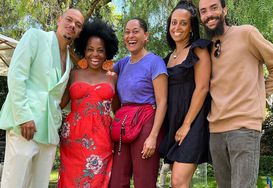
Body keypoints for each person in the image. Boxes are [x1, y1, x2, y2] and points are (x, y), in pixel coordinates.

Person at [198, 0, 273, 187]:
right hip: (216, 131)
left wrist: (260, 92)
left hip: (244, 128)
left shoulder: (247, 33)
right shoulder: (205, 48)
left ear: (224, 10)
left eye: (214, 8)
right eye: (203, 11)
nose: (209, 14)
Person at [0, 9, 84, 188]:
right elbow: (16, 76)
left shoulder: (69, 61)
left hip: (50, 130)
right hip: (25, 125)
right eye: (69, 20)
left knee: (39, 184)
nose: (72, 26)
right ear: (59, 20)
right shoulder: (35, 36)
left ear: (79, 32)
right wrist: (24, 116)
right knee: (14, 182)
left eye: (78, 25)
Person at [57, 18, 118, 188]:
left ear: (107, 52)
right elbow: (60, 103)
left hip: (102, 139)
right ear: (84, 50)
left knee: (97, 181)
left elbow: (118, 109)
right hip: (72, 139)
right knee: (70, 181)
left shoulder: (112, 77)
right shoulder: (74, 74)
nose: (95, 54)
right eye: (90, 49)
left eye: (100, 50)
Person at [109, 18, 168, 188]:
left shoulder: (155, 62)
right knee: (117, 181)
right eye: (127, 32)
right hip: (124, 123)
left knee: (144, 181)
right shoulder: (122, 64)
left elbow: (163, 101)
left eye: (135, 31)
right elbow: (96, 68)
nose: (130, 36)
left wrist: (153, 137)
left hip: (146, 123)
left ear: (146, 36)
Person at [159, 1, 211, 187]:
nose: (177, 27)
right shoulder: (167, 58)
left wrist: (187, 124)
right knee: (179, 181)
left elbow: (202, 88)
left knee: (178, 180)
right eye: (174, 22)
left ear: (191, 27)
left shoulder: (198, 49)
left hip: (193, 122)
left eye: (183, 23)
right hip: (173, 122)